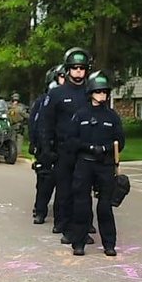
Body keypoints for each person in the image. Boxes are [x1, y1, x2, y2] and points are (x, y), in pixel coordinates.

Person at [66, 70, 125, 256]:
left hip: (105, 165)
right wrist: (89, 148)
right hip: (85, 163)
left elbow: (120, 141)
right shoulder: (80, 115)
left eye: (105, 92)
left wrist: (105, 149)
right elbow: (71, 140)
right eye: (99, 92)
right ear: (91, 93)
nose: (102, 95)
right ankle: (79, 243)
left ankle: (109, 244)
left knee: (105, 206)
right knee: (81, 206)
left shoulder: (112, 117)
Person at [39, 46, 92, 242]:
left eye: (82, 68)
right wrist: (46, 150)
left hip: (86, 151)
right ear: (68, 69)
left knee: (83, 192)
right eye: (75, 68)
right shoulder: (57, 94)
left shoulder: (91, 93)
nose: (78, 71)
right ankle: (63, 224)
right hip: (63, 150)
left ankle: (82, 229)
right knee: (65, 191)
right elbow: (46, 124)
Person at [30, 65, 63, 226]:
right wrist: (36, 144)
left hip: (63, 145)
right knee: (45, 180)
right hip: (46, 145)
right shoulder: (44, 101)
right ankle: (40, 210)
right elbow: (35, 123)